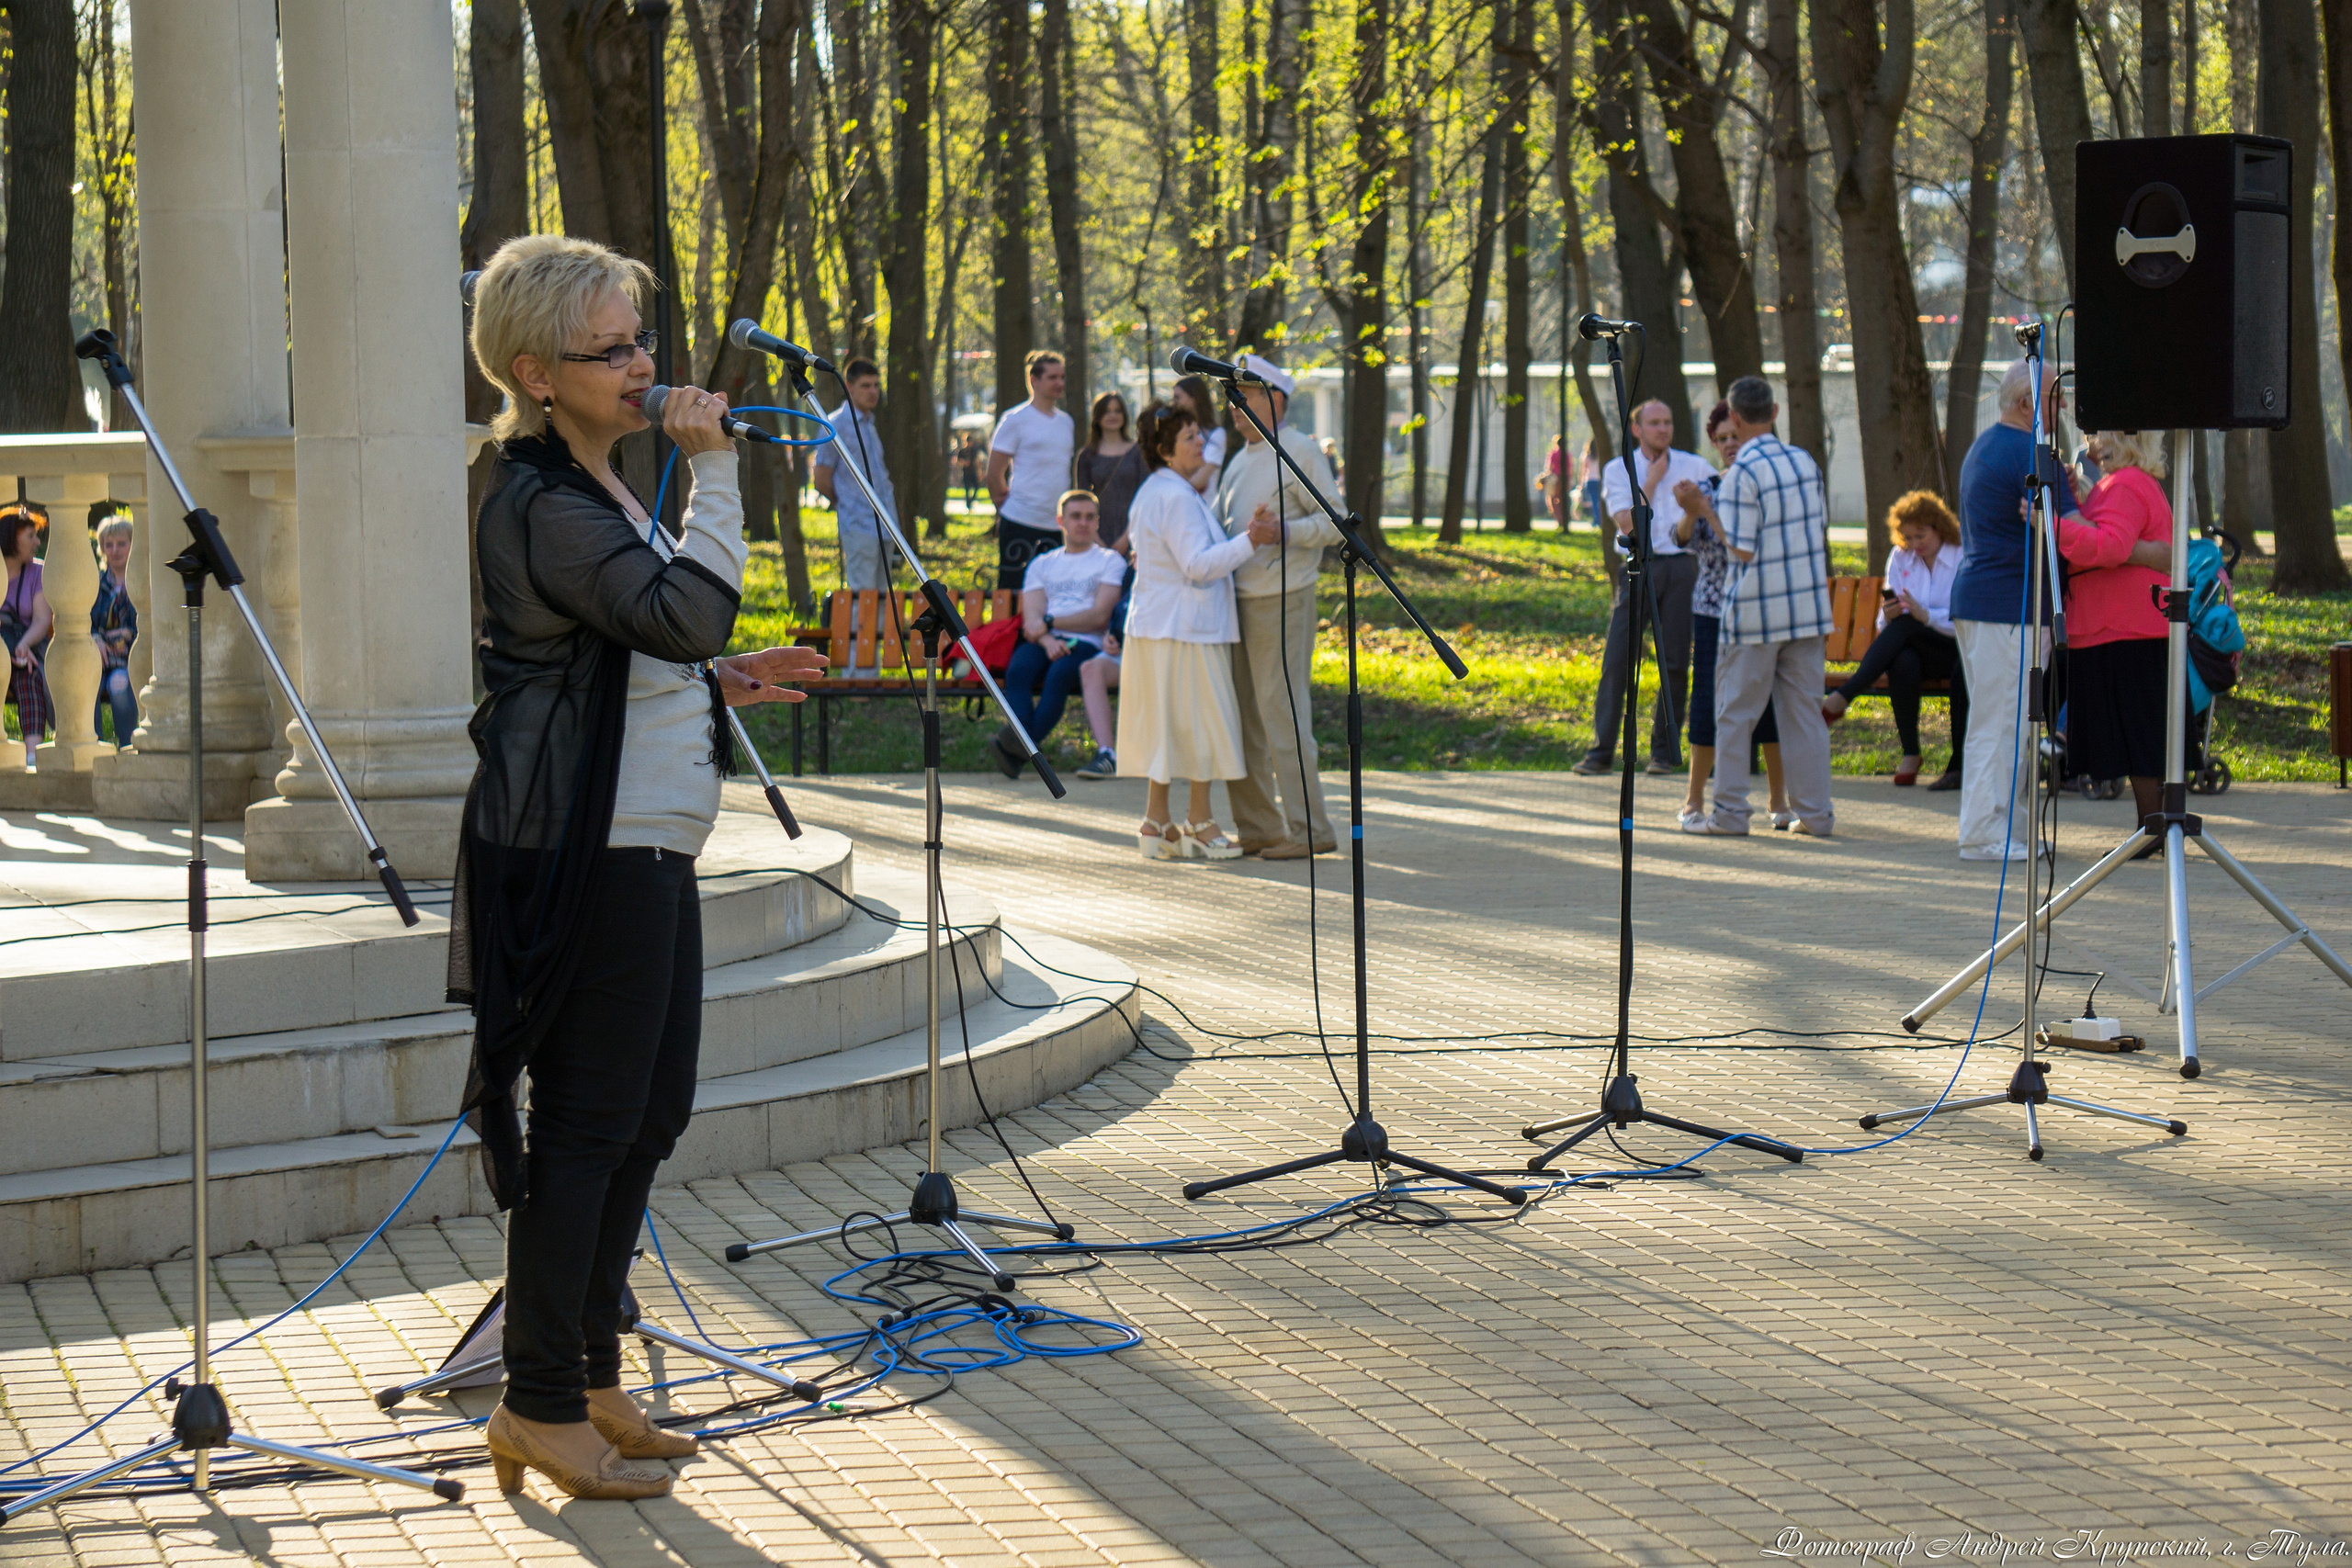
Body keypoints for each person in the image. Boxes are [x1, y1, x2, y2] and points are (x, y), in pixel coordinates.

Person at [458, 233, 827, 1501]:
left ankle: (591, 1368)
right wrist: (714, 471)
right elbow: (680, 610)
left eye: (641, 341)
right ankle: (536, 1398)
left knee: (647, 1116)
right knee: (587, 1124)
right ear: (534, 371)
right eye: (609, 348)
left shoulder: (600, 486)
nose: (641, 364)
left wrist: (723, 677)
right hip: (587, 855)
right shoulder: (539, 497)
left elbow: (639, 649)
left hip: (647, 847)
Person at [1117, 400, 1279, 860]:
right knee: (1204, 726)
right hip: (1185, 630)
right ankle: (1200, 822)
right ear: (1166, 451)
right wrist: (1251, 540)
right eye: (1189, 438)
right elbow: (1197, 566)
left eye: (1198, 434)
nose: (1200, 443)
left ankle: (1157, 821)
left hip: (1163, 626)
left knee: (1169, 726)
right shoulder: (1173, 496)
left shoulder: (1158, 491)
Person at [1684, 376, 1835, 836]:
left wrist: (1705, 511)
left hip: (1754, 614)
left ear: (1734, 417)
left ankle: (1729, 814)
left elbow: (1742, 549)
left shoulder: (1742, 473)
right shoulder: (1805, 462)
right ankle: (1815, 814)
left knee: (1735, 713)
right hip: (1807, 609)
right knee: (1806, 715)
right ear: (1774, 413)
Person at [1213, 355, 1338, 858]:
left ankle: (1312, 830)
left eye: (1246, 395)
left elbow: (1335, 523)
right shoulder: (1241, 459)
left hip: (1282, 599)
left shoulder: (1300, 451)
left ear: (1276, 399)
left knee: (1281, 712)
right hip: (1236, 603)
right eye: (1232, 397)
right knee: (1243, 717)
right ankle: (1259, 826)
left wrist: (1283, 532)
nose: (1234, 408)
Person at [1575, 399, 1713, 778]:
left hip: (1682, 567)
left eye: (1668, 422)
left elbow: (1720, 498)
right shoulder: (1619, 469)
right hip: (1638, 567)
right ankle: (1601, 752)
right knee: (1618, 659)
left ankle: (1663, 754)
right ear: (1637, 430)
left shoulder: (1695, 466)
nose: (1663, 429)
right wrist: (1652, 481)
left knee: (1674, 663)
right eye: (1654, 423)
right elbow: (1627, 524)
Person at [2057, 430, 2179, 855]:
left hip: (2123, 625)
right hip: (2121, 624)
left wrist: (2051, 524)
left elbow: (2110, 545)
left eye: (2095, 436)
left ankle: (2151, 829)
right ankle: (2151, 827)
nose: (2087, 444)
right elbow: (2113, 537)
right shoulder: (2121, 483)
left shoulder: (2126, 482)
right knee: (2136, 733)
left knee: (2136, 735)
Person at [1670, 402, 1789, 830]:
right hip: (1713, 611)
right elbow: (1682, 539)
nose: (1729, 446)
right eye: (1721, 440)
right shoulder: (1707, 487)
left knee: (1769, 703)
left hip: (1761, 608)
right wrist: (1690, 510)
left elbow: (1745, 546)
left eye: (1734, 436)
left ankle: (1779, 801)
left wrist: (1705, 509)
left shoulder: (1767, 486)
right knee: (1707, 703)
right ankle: (1693, 801)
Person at [1822, 491, 1970, 789]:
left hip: (1955, 650)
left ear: (1938, 526)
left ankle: (1844, 696)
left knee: (1907, 624)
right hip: (1914, 645)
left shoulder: (1960, 554)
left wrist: (1925, 616)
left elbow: (1965, 621)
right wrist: (1888, 616)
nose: (1915, 545)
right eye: (1908, 537)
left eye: (1921, 536)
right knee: (1903, 659)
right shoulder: (1900, 556)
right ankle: (1911, 753)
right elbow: (1885, 625)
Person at [987, 490, 1126, 776]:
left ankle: (1016, 747)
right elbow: (1033, 615)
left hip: (1087, 641)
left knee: (1060, 674)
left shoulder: (1110, 561)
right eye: (1076, 516)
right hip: (1043, 641)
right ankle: (1019, 746)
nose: (1083, 523)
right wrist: (1047, 639)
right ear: (1061, 520)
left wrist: (1050, 625)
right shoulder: (1043, 564)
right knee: (1018, 671)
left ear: (1097, 522)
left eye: (1089, 517)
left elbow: (1099, 617)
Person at [986, 350, 1076, 589]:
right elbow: (994, 472)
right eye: (1053, 377)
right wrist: (1003, 506)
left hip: (1056, 526)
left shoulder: (1066, 422)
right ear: (1034, 380)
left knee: (1052, 592)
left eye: (1062, 377)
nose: (1060, 383)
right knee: (1014, 593)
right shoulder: (1015, 419)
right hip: (1019, 521)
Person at [811, 356, 896, 592]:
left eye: (876, 385)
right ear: (849, 387)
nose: (873, 392)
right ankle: (859, 631)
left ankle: (879, 631)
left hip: (886, 522)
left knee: (884, 597)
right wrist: (849, 504)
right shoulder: (835, 424)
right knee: (862, 597)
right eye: (866, 386)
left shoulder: (870, 424)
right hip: (858, 524)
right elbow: (821, 479)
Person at [1, 504, 54, 772]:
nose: (37, 542)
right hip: (1, 649)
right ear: (12, 539)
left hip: (30, 647)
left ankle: (32, 752)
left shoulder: (38, 572)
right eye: (31, 536)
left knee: (29, 673)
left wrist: (23, 646)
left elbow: (43, 620)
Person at [1072, 391, 1148, 553]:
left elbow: (1145, 497)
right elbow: (1082, 499)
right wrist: (1095, 538)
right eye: (1107, 411)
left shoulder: (1138, 452)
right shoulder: (1086, 455)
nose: (1112, 416)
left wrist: (1127, 537)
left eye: (1117, 411)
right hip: (1098, 530)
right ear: (1097, 417)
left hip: (1134, 529)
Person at [91, 514, 139, 744]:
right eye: (108, 545)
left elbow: (139, 628)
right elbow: (84, 622)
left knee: (118, 685)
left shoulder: (140, 582)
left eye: (122, 544)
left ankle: (129, 746)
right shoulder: (94, 584)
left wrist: (127, 634)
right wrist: (96, 638)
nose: (115, 550)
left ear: (132, 545)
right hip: (97, 658)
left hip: (130, 659)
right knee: (86, 685)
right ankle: (93, 747)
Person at [1170, 375, 1228, 498]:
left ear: (1194, 398)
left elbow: (1198, 481)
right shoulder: (1175, 434)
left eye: (1178, 398)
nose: (1173, 403)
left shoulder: (1216, 435)